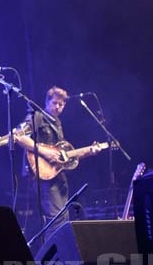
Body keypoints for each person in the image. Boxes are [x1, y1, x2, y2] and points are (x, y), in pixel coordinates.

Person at [16, 86, 99, 239]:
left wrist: (89, 152)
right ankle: (51, 261)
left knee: (62, 220)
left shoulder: (58, 123)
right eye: (54, 103)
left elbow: (63, 156)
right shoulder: (38, 117)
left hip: (57, 176)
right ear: (47, 102)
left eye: (61, 105)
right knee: (56, 222)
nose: (57, 107)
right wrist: (46, 152)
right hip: (43, 176)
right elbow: (19, 136)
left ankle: (58, 258)